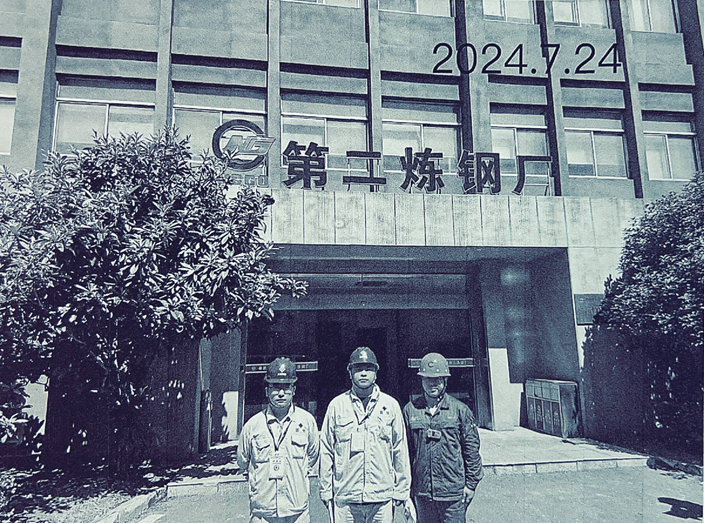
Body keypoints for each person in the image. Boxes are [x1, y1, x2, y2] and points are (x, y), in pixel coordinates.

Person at [319, 347, 411, 523]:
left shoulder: (390, 406)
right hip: (346, 498)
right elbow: (326, 450)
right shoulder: (337, 406)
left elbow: (400, 449)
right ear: (349, 372)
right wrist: (326, 489)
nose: (363, 373)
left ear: (376, 373)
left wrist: (402, 490)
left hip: (381, 498)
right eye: (358, 369)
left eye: (368, 369)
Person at [403, 352, 483, 524]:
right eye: (428, 379)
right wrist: (406, 490)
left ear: (445, 380)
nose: (433, 383)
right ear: (421, 380)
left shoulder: (460, 410)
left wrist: (471, 485)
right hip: (422, 493)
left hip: (452, 493)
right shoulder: (410, 411)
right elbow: (405, 453)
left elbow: (472, 451)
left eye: (438, 379)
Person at [237, 357, 319, 523]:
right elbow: (243, 461)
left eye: (286, 387)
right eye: (275, 387)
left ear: (294, 390)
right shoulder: (252, 426)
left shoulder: (307, 422)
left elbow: (312, 456)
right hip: (263, 512)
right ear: (267, 391)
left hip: (297, 510)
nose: (281, 393)